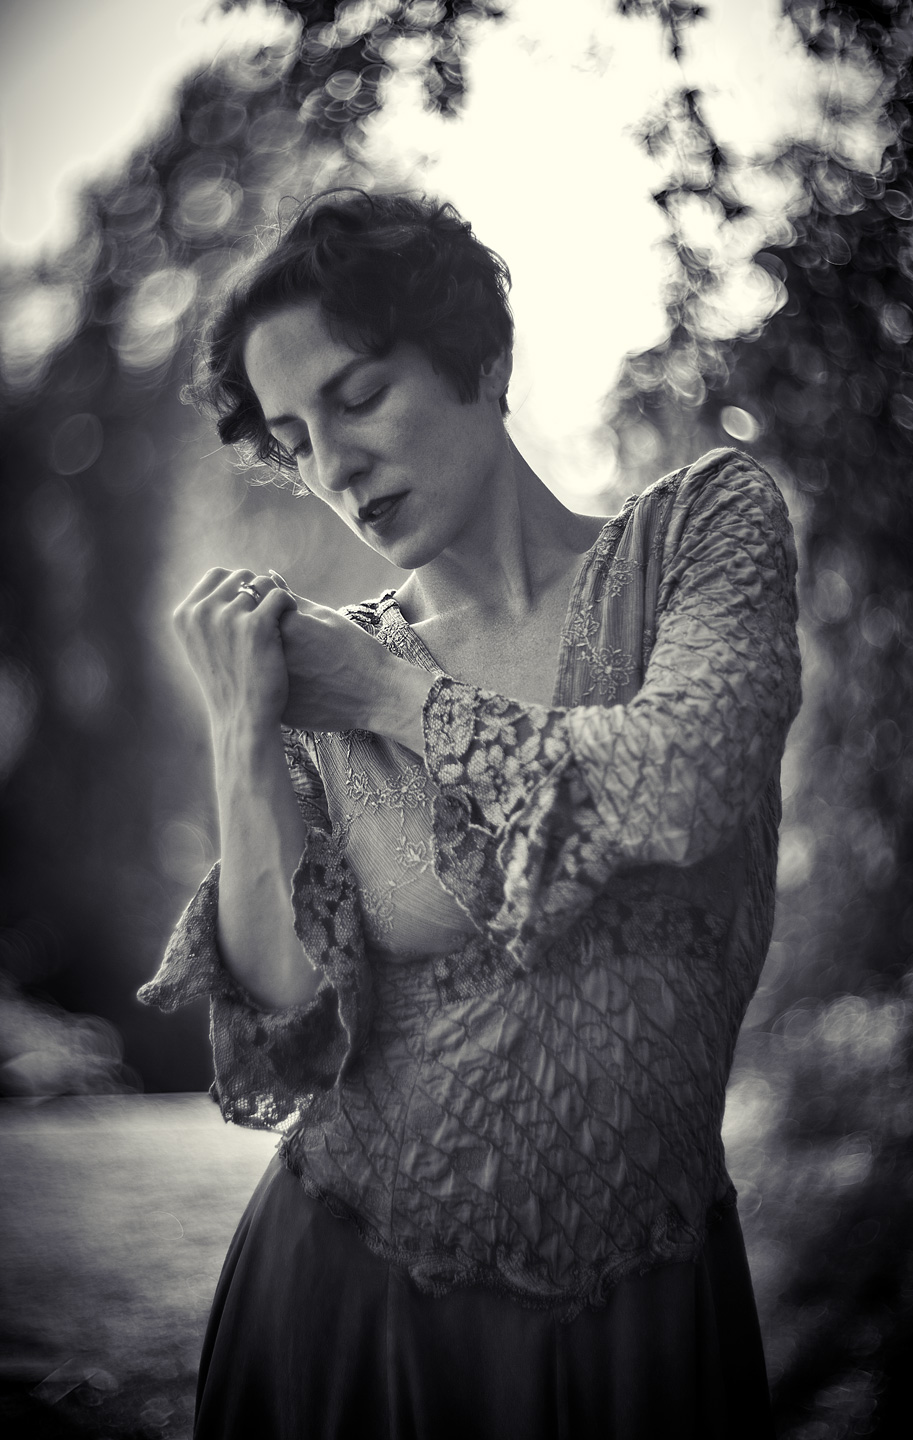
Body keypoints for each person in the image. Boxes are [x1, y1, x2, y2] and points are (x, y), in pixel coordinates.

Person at [138, 189, 802, 1439]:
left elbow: (683, 781)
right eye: (293, 440)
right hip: (346, 1319)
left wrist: (393, 697)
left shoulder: (697, 537)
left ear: (482, 361)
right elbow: (284, 1022)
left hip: (642, 1339)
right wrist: (243, 726)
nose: (334, 469)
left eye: (359, 396)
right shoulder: (325, 674)